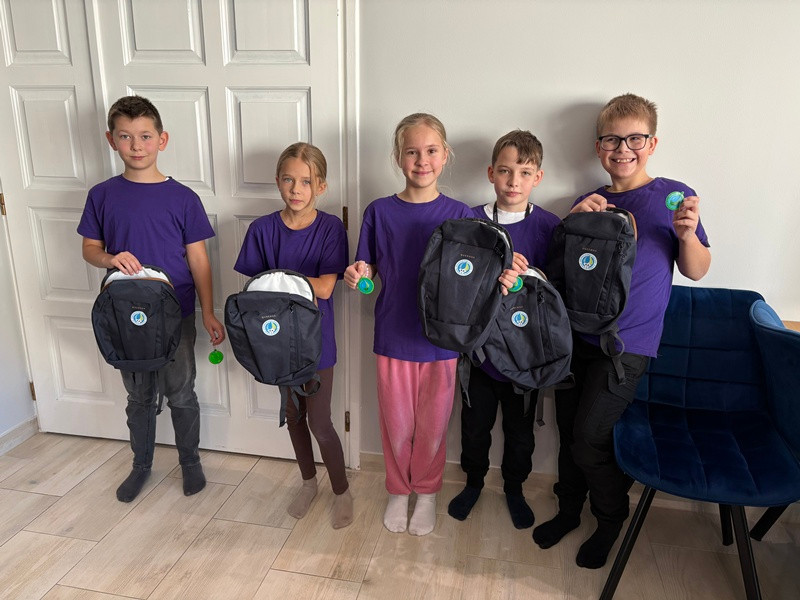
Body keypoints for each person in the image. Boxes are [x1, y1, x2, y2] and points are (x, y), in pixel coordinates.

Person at [533, 93, 711, 568]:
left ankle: (611, 518)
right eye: (612, 139)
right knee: (569, 431)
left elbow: (696, 271)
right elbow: (562, 271)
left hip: (627, 347)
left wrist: (687, 235)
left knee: (590, 437)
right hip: (576, 337)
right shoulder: (588, 201)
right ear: (598, 146)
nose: (623, 148)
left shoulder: (673, 197)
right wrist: (573, 222)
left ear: (652, 143)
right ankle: (568, 510)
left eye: (635, 138)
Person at [78, 95, 225, 502]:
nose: (136, 145)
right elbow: (90, 249)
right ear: (112, 140)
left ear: (162, 139)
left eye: (145, 136)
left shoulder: (183, 198)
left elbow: (199, 260)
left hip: (176, 314)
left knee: (181, 392)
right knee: (139, 395)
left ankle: (190, 462)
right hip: (125, 318)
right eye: (126, 136)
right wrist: (110, 258)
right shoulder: (102, 195)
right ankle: (141, 465)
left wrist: (208, 312)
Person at [343, 113, 474, 536]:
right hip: (393, 335)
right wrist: (357, 275)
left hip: (442, 341)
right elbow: (367, 272)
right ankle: (399, 490)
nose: (422, 160)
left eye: (431, 150)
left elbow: (477, 278)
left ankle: (428, 493)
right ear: (398, 157)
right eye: (412, 151)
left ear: (445, 154)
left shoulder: (461, 214)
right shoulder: (379, 211)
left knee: (433, 427)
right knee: (397, 425)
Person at [233, 142, 353, 529]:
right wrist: (292, 283)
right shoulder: (262, 230)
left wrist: (281, 279)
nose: (296, 189)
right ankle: (308, 483)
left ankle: (341, 491)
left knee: (320, 421)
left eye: (306, 181)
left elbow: (326, 288)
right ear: (277, 182)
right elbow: (255, 289)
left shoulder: (330, 228)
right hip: (276, 341)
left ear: (321, 186)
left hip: (317, 344)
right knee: (293, 416)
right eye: (289, 180)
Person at [447, 130, 560, 529]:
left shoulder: (549, 226)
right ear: (491, 173)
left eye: (525, 173)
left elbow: (556, 294)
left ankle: (514, 487)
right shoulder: (469, 220)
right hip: (479, 351)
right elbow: (455, 279)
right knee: (474, 426)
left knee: (520, 431)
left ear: (538, 178)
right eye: (506, 171)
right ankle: (474, 482)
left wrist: (530, 275)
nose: (514, 181)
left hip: (524, 353)